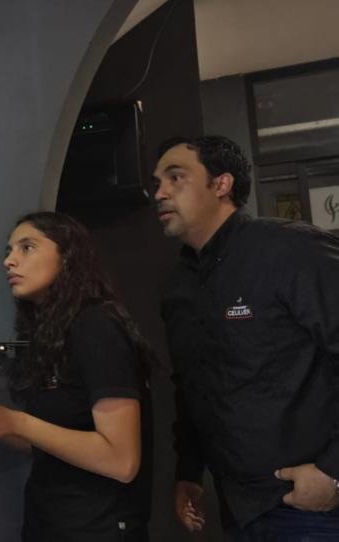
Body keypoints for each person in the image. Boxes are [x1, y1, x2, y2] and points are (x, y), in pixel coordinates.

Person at [154, 135, 339, 540]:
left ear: (221, 184)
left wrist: (334, 472)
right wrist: (189, 470)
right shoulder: (179, 286)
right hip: (239, 509)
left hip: (312, 507)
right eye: (158, 182)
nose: (160, 193)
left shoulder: (292, 250)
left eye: (176, 177)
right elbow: (192, 385)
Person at [0, 212, 153, 541]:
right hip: (50, 524)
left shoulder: (97, 327)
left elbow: (121, 460)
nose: (9, 261)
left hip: (98, 529)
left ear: (67, 256)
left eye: (27, 247)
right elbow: (54, 441)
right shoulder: (50, 335)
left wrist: (17, 422)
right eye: (8, 251)